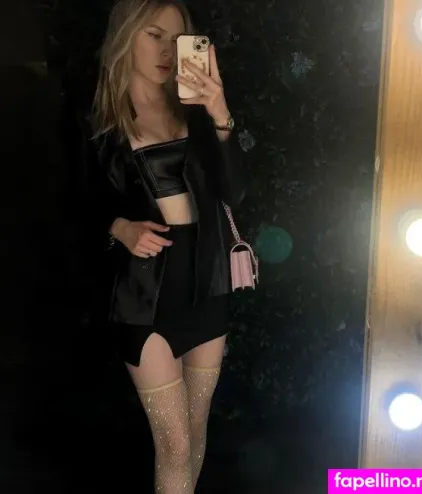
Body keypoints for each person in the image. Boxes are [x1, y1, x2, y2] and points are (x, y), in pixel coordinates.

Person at [82, 0, 245, 492]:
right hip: (145, 293)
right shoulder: (97, 117)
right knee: (173, 443)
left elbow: (234, 192)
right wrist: (120, 226)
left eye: (176, 41)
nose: (167, 52)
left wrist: (220, 113)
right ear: (125, 35)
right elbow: (67, 204)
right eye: (154, 35)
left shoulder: (194, 110)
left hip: (207, 281)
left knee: (195, 429)